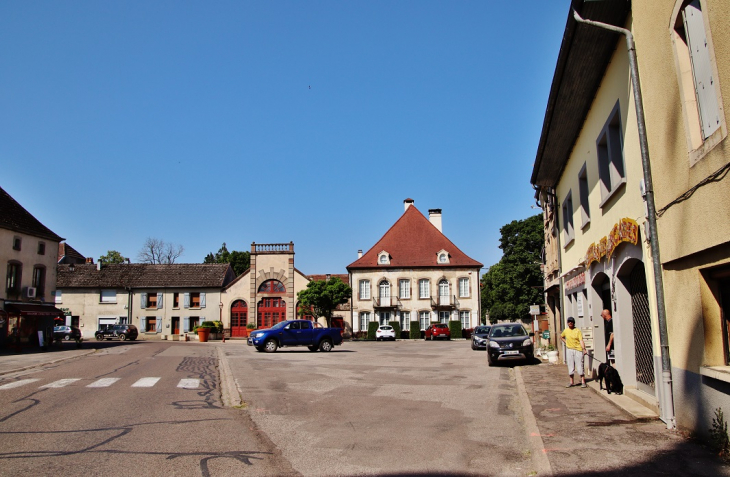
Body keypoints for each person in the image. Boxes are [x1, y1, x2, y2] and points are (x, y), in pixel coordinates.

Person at [560, 317, 587, 388]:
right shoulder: (566, 331)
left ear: (573, 323)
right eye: (569, 322)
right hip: (569, 349)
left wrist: (584, 349)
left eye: (571, 322)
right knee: (570, 365)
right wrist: (566, 342)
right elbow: (561, 336)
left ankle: (583, 381)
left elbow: (581, 340)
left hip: (578, 349)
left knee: (580, 365)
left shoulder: (577, 331)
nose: (570, 323)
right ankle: (571, 381)